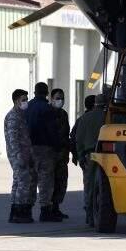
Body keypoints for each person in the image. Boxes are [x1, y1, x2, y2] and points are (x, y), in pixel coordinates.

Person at [26, 82, 61, 222]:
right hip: (44, 148)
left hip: (29, 148)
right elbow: (52, 130)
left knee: (31, 179)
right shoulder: (47, 109)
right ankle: (45, 210)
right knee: (45, 180)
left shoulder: (28, 107)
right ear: (47, 93)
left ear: (34, 92)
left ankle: (26, 208)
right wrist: (57, 146)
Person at [76, 93, 107, 227]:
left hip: (89, 155)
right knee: (104, 186)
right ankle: (101, 213)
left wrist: (79, 155)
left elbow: (79, 139)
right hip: (106, 156)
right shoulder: (109, 118)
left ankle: (89, 216)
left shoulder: (85, 117)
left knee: (89, 185)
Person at [4, 89, 34, 223]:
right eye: (23, 100)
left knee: (18, 182)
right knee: (23, 181)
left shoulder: (21, 115)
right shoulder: (13, 116)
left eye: (26, 99)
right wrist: (19, 156)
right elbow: (13, 139)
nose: (26, 102)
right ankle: (19, 212)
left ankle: (15, 211)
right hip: (18, 154)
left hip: (25, 153)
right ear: (16, 101)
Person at [50, 88, 70, 219]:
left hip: (62, 154)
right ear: (51, 99)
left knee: (61, 181)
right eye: (57, 98)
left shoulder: (63, 114)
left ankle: (56, 207)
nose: (60, 100)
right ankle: (48, 208)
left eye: (62, 98)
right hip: (51, 154)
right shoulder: (47, 113)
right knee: (50, 182)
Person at [70, 94, 96, 167]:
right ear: (94, 105)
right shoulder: (102, 118)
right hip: (91, 154)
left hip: (84, 156)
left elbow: (73, 137)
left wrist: (75, 155)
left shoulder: (81, 119)